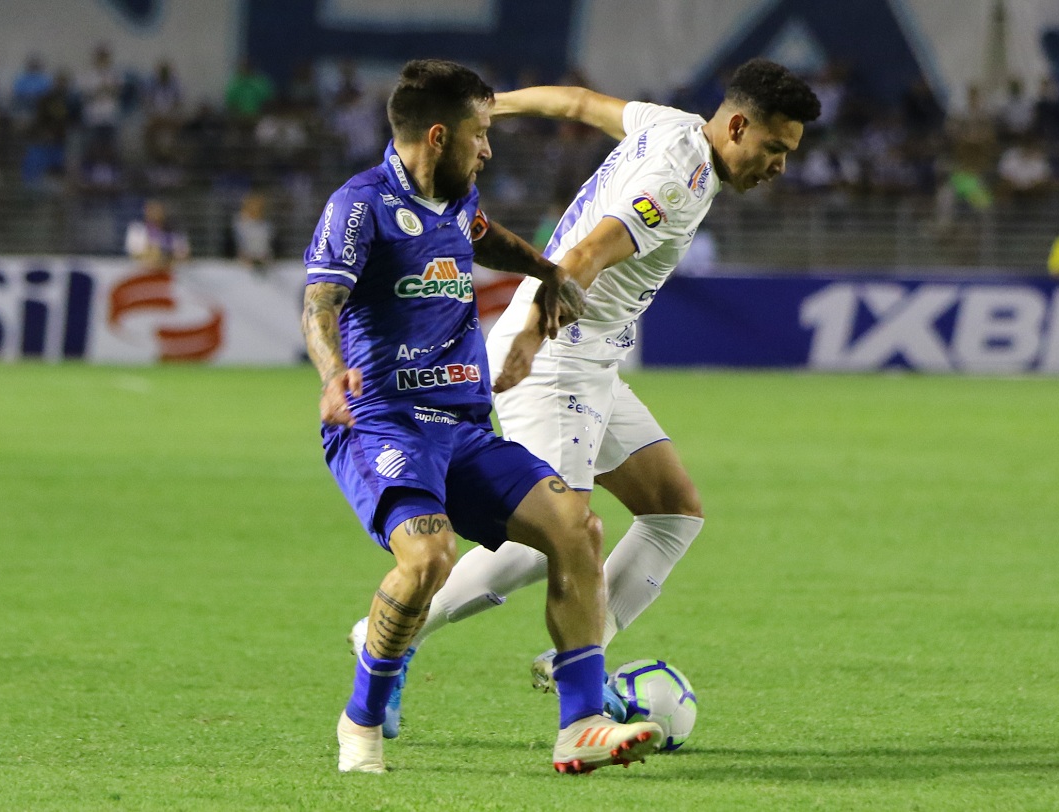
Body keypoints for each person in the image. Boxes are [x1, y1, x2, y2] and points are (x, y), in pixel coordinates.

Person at [357, 58, 819, 725]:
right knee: (549, 533)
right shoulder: (678, 183)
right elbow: (581, 259)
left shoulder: (671, 125)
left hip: (589, 361)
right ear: (738, 125)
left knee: (673, 511)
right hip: (557, 358)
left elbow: (573, 102)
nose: (779, 165)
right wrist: (526, 343)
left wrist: (492, 105)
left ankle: (577, 656)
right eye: (774, 149)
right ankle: (383, 640)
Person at [304, 59, 662, 775]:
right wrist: (330, 374)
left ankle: (580, 725)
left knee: (576, 528)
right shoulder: (360, 204)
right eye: (480, 134)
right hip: (381, 421)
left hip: (463, 428)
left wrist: (549, 271)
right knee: (429, 558)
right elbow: (319, 304)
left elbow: (484, 235)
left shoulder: (453, 198)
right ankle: (361, 719)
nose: (489, 148)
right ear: (438, 136)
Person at [125, 199, 190, 271]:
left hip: (170, 269)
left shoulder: (174, 230)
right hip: (143, 270)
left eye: (158, 210)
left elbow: (183, 253)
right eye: (152, 209)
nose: (155, 213)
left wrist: (165, 257)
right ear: (146, 211)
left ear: (163, 211)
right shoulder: (137, 229)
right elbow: (134, 253)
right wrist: (154, 254)